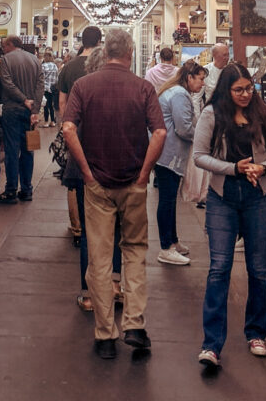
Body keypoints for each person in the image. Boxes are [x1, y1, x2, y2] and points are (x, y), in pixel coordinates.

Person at [63, 27, 166, 360]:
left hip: (98, 187)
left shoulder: (83, 86)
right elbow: (160, 132)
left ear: (104, 52)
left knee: (100, 257)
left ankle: (105, 334)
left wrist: (87, 171)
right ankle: (134, 324)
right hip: (132, 184)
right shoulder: (143, 88)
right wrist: (144, 173)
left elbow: (67, 128)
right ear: (131, 53)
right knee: (134, 252)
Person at [193, 62, 266, 367]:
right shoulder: (212, 115)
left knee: (258, 268)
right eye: (238, 90)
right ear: (226, 89)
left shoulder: (264, 114)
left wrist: (262, 168)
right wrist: (234, 168)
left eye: (249, 88)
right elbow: (199, 156)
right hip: (223, 197)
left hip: (259, 196)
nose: (245, 94)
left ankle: (256, 332)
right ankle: (211, 344)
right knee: (219, 268)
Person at [63, 44, 123, 313]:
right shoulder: (123, 92)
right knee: (116, 231)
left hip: (86, 170)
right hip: (116, 172)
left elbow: (70, 128)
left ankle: (89, 295)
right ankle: (114, 288)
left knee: (90, 234)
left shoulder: (82, 90)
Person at [154, 61, 206, 266]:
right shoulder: (180, 95)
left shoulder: (175, 92)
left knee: (169, 199)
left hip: (165, 152)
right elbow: (183, 128)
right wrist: (202, 137)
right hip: (169, 153)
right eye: (200, 79)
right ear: (189, 78)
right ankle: (165, 247)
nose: (202, 84)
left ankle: (172, 242)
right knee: (167, 200)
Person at [59, 26, 102, 240]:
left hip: (74, 128)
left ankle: (77, 227)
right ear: (99, 42)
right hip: (99, 128)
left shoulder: (68, 67)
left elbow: (62, 102)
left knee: (73, 176)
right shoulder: (102, 66)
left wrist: (66, 125)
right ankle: (97, 223)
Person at [0, 36, 44, 204]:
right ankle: (27, 190)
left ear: (10, 45)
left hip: (13, 110)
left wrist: (23, 100)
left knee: (12, 150)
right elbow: (40, 85)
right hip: (29, 113)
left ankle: (11, 190)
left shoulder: (6, 60)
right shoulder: (35, 59)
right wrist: (34, 108)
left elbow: (7, 83)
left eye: (3, 45)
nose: (2, 49)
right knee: (28, 149)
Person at [41, 49, 59, 126]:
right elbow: (57, 77)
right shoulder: (55, 66)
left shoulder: (43, 66)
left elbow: (41, 78)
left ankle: (46, 122)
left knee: (45, 105)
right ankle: (52, 121)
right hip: (53, 88)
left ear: (45, 57)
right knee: (51, 105)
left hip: (45, 88)